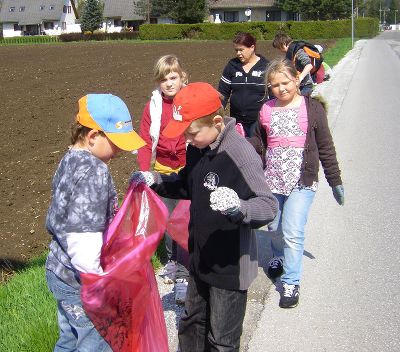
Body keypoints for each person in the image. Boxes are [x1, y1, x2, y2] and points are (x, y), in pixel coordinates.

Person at [131, 82, 278, 351]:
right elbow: (188, 183)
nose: (186, 140)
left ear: (217, 122)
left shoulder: (241, 155)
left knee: (221, 339)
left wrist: (239, 208)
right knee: (192, 323)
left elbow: (268, 206)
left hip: (230, 267)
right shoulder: (198, 146)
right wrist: (155, 180)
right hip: (200, 257)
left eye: (191, 133)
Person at [45, 94, 146, 351]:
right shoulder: (94, 172)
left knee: (69, 338)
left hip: (59, 269)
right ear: (92, 137)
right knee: (96, 341)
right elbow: (83, 236)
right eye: (115, 142)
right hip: (82, 279)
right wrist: (99, 284)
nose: (120, 150)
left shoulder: (70, 159)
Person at [259, 59, 344, 309]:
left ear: (296, 80)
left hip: (301, 181)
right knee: (274, 227)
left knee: (293, 230)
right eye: (274, 85)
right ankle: (278, 257)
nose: (281, 88)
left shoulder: (312, 108)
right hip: (273, 179)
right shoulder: (265, 110)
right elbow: (259, 144)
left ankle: (291, 282)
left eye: (285, 82)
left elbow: (326, 147)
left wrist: (334, 180)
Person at [137, 54, 190, 304]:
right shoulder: (153, 106)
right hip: (163, 168)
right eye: (163, 79)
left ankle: (186, 266)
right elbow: (146, 141)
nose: (169, 83)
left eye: (173, 77)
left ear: (182, 77)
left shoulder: (190, 101)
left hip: (188, 167)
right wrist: (145, 172)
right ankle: (172, 261)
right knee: (169, 220)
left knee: (186, 219)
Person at [218, 32, 270, 137]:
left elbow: (273, 94)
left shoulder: (266, 66)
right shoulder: (232, 65)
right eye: (236, 50)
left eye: (241, 50)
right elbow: (223, 92)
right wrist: (218, 112)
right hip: (237, 120)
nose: (238, 53)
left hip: (258, 121)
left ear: (252, 47)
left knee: (257, 150)